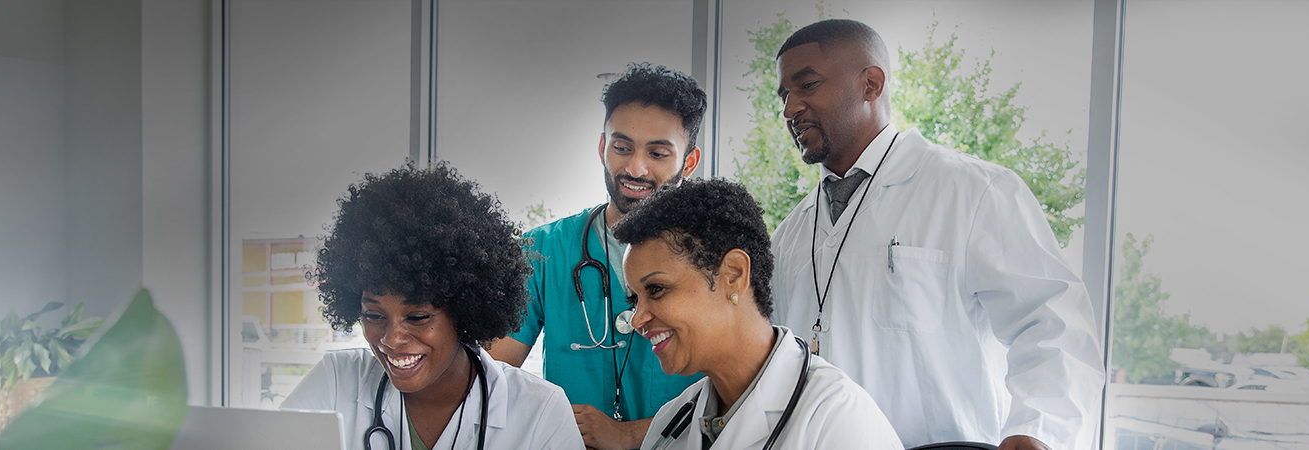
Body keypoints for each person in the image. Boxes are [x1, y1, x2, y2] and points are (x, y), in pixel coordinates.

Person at [766, 19, 1103, 450]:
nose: (789, 108)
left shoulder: (973, 191)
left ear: (871, 84)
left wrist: (1035, 430)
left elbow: (1055, 323)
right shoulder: (790, 233)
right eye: (783, 94)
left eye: (806, 85)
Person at [283, 164, 585, 450]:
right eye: (374, 315)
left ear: (464, 311)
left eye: (417, 317)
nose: (391, 339)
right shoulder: (335, 381)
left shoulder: (540, 413)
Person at [488, 63, 705, 450]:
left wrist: (630, 434)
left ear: (688, 162)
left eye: (657, 153)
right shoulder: (543, 252)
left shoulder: (716, 260)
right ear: (603, 147)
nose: (635, 168)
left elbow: (740, 394)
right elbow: (488, 378)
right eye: (622, 147)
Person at [614, 178, 902, 450]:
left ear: (734, 275)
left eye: (657, 289)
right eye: (634, 299)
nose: (637, 320)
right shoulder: (671, 422)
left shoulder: (839, 420)